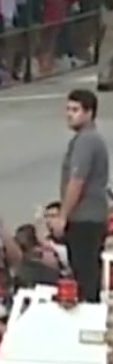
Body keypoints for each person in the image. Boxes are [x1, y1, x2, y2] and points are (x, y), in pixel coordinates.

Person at [58, 88, 110, 302]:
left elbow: (77, 181)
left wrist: (63, 215)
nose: (70, 114)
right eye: (68, 109)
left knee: (85, 273)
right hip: (90, 217)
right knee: (85, 271)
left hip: (85, 218)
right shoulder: (85, 140)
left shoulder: (86, 141)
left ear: (89, 113)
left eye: (76, 110)